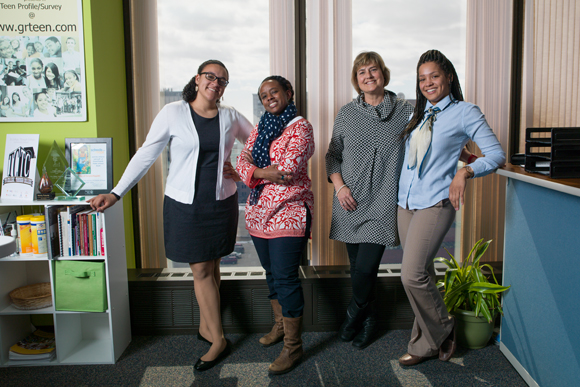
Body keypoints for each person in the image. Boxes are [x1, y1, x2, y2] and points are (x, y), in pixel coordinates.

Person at [87, 59, 252, 372]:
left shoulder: (230, 117)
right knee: (201, 268)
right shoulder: (173, 113)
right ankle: (218, 340)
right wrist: (115, 192)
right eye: (210, 76)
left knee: (213, 266)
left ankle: (207, 328)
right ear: (197, 78)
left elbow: (260, 142)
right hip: (184, 206)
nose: (215, 83)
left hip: (221, 203)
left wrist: (243, 171)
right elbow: (146, 154)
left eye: (222, 80)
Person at [397, 50, 505, 366]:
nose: (428, 83)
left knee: (411, 275)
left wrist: (465, 171)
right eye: (422, 78)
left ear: (448, 77)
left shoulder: (465, 112)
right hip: (405, 203)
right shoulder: (417, 115)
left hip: (436, 201)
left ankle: (444, 329)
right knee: (423, 271)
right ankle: (423, 345)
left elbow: (496, 155)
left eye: (434, 76)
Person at [325, 51, 415, 350]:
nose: (368, 76)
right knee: (358, 269)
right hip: (349, 200)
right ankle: (370, 319)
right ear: (356, 80)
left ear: (383, 74)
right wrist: (339, 188)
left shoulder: (405, 112)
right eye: (361, 72)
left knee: (365, 269)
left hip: (383, 201)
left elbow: (429, 141)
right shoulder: (346, 113)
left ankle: (352, 317)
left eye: (373, 70)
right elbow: (333, 155)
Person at [236, 75, 314, 375]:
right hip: (258, 213)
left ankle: (293, 348)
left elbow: (288, 171)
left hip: (289, 212)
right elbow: (241, 161)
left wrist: (257, 172)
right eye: (264, 94)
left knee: (285, 278)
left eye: (274, 92)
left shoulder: (300, 127)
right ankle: (280, 326)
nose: (269, 97)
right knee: (271, 274)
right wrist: (261, 171)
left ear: (288, 93)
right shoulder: (259, 128)